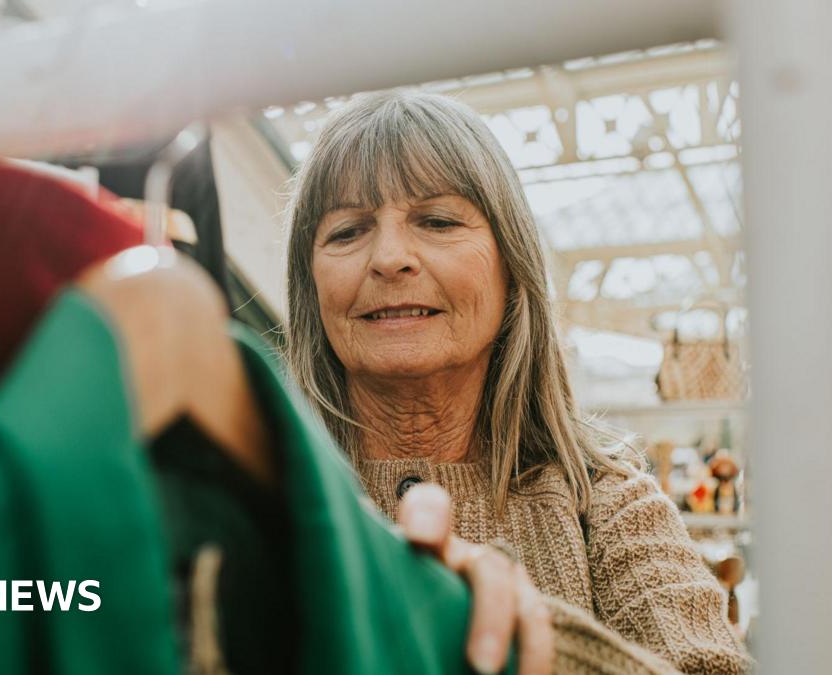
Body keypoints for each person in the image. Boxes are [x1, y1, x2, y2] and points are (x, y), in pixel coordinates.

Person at [283, 90, 752, 674]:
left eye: (437, 221)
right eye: (348, 230)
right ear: (311, 288)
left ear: (513, 269)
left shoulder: (605, 501)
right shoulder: (264, 493)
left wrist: (507, 636)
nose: (390, 257)